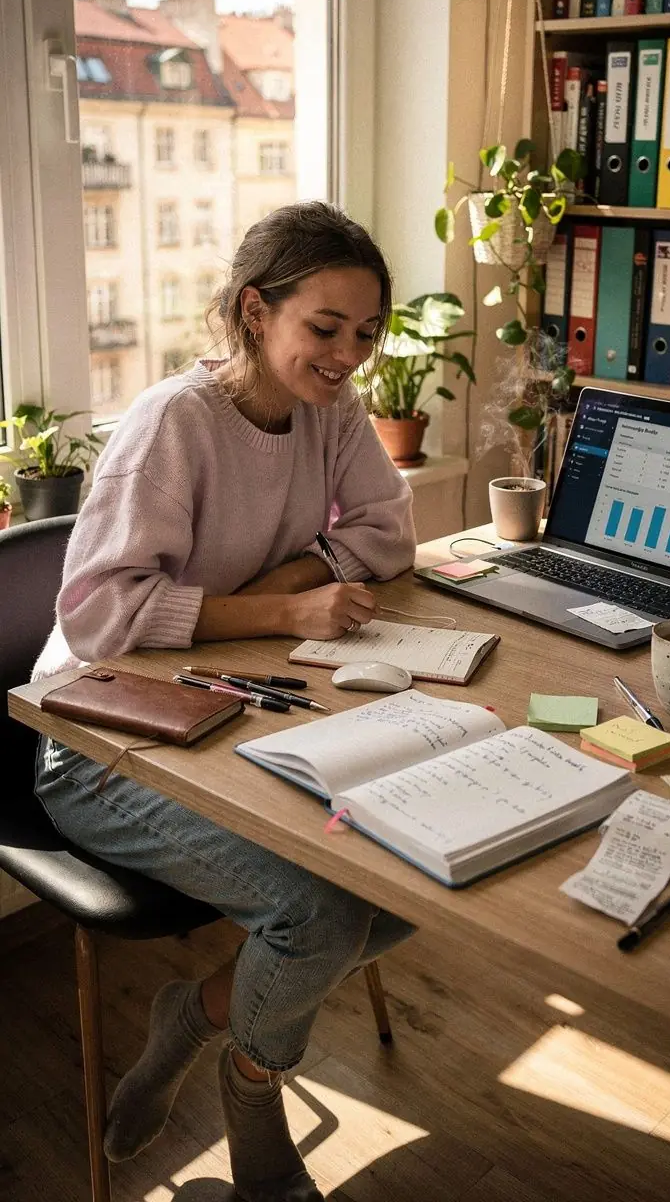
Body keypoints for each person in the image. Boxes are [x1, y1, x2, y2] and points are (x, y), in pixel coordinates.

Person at [33, 201, 418, 1202]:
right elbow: (100, 619)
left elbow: (387, 530)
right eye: (324, 328)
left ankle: (196, 1015)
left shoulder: (327, 416)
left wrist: (300, 571)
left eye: (367, 335)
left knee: (424, 875)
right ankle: (255, 1091)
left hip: (230, 709)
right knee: (320, 917)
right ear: (255, 310)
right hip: (98, 743)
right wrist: (281, 606)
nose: (347, 358)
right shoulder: (175, 421)